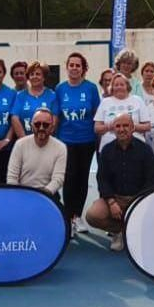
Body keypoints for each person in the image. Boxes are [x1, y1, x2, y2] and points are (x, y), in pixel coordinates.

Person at [85, 114, 154, 251]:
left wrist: (138, 203)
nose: (121, 129)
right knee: (93, 215)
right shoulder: (106, 150)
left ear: (132, 128)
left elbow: (151, 179)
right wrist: (111, 202)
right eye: (118, 126)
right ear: (113, 129)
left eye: (125, 126)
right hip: (115, 198)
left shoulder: (145, 150)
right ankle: (119, 231)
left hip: (138, 198)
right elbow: (102, 179)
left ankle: (134, 232)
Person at [54, 52, 101, 231]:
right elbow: (57, 116)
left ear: (83, 69)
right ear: (67, 67)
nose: (74, 68)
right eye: (71, 65)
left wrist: (98, 140)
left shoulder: (90, 88)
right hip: (66, 141)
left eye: (77, 65)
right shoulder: (60, 88)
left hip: (86, 140)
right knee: (69, 178)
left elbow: (97, 114)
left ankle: (77, 216)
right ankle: (68, 217)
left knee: (82, 179)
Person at [8, 108, 68, 204]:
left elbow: (58, 179)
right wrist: (18, 196)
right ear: (32, 126)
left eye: (45, 125)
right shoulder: (20, 144)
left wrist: (42, 195)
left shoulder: (61, 147)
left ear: (52, 127)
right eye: (37, 124)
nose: (41, 128)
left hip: (48, 194)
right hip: (22, 193)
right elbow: (12, 178)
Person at [94, 72, 149, 150]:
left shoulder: (137, 100)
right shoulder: (105, 102)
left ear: (127, 86)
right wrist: (110, 126)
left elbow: (147, 126)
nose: (119, 87)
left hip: (135, 147)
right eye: (116, 85)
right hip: (109, 148)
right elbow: (97, 128)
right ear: (112, 87)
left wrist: (131, 127)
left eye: (122, 84)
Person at [12, 62, 58, 139]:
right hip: (25, 140)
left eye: (38, 74)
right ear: (28, 77)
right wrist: (25, 140)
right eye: (32, 74)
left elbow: (54, 120)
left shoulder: (52, 95)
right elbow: (15, 118)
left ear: (44, 77)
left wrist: (43, 139)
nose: (34, 77)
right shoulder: (20, 96)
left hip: (45, 140)